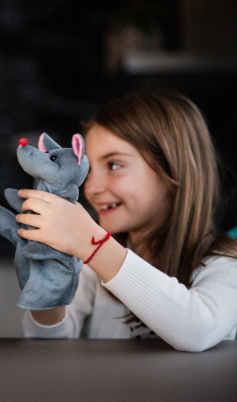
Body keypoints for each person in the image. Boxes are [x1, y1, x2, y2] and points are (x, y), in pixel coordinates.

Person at [16, 91, 237, 351]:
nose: (92, 188)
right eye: (90, 170)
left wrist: (92, 243)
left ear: (172, 169)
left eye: (113, 165)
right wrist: (47, 287)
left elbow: (199, 330)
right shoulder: (86, 267)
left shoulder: (226, 262)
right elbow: (44, 341)